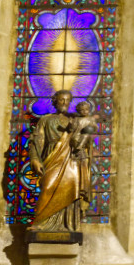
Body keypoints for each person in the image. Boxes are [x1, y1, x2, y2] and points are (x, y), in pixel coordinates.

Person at [28, 90, 90, 232]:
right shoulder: (45, 120)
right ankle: (40, 223)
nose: (64, 103)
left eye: (67, 100)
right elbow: (37, 142)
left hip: (72, 160)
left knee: (70, 190)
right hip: (51, 158)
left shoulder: (75, 119)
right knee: (47, 187)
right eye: (61, 99)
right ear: (55, 101)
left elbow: (86, 138)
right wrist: (35, 159)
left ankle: (67, 225)